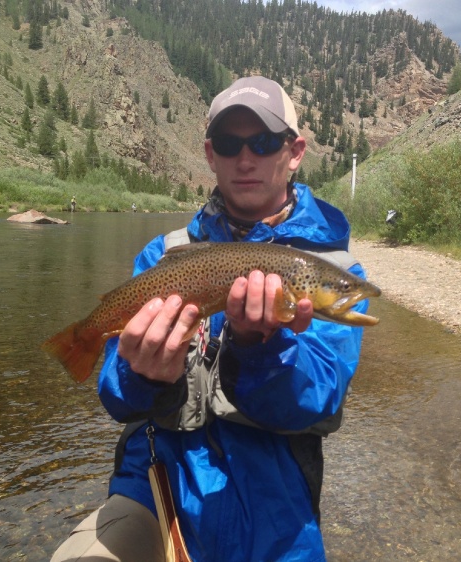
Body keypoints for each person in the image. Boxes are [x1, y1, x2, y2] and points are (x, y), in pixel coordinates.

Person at [51, 76, 372, 562]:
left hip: (277, 518)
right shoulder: (163, 255)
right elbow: (117, 400)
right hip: (159, 494)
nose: (245, 159)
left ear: (295, 151)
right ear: (209, 153)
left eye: (263, 142)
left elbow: (317, 401)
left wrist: (259, 348)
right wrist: (141, 375)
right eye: (229, 143)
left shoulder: (338, 270)